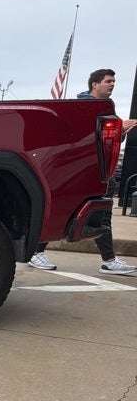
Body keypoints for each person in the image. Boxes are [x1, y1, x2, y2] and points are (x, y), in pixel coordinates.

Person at [29, 68, 137, 275]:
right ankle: (38, 253)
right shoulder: (84, 108)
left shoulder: (107, 110)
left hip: (101, 173)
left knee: (98, 217)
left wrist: (120, 132)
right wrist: (119, 128)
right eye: (108, 81)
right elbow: (82, 140)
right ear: (95, 84)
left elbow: (107, 144)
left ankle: (109, 260)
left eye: (114, 81)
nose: (112, 84)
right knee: (75, 213)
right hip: (85, 173)